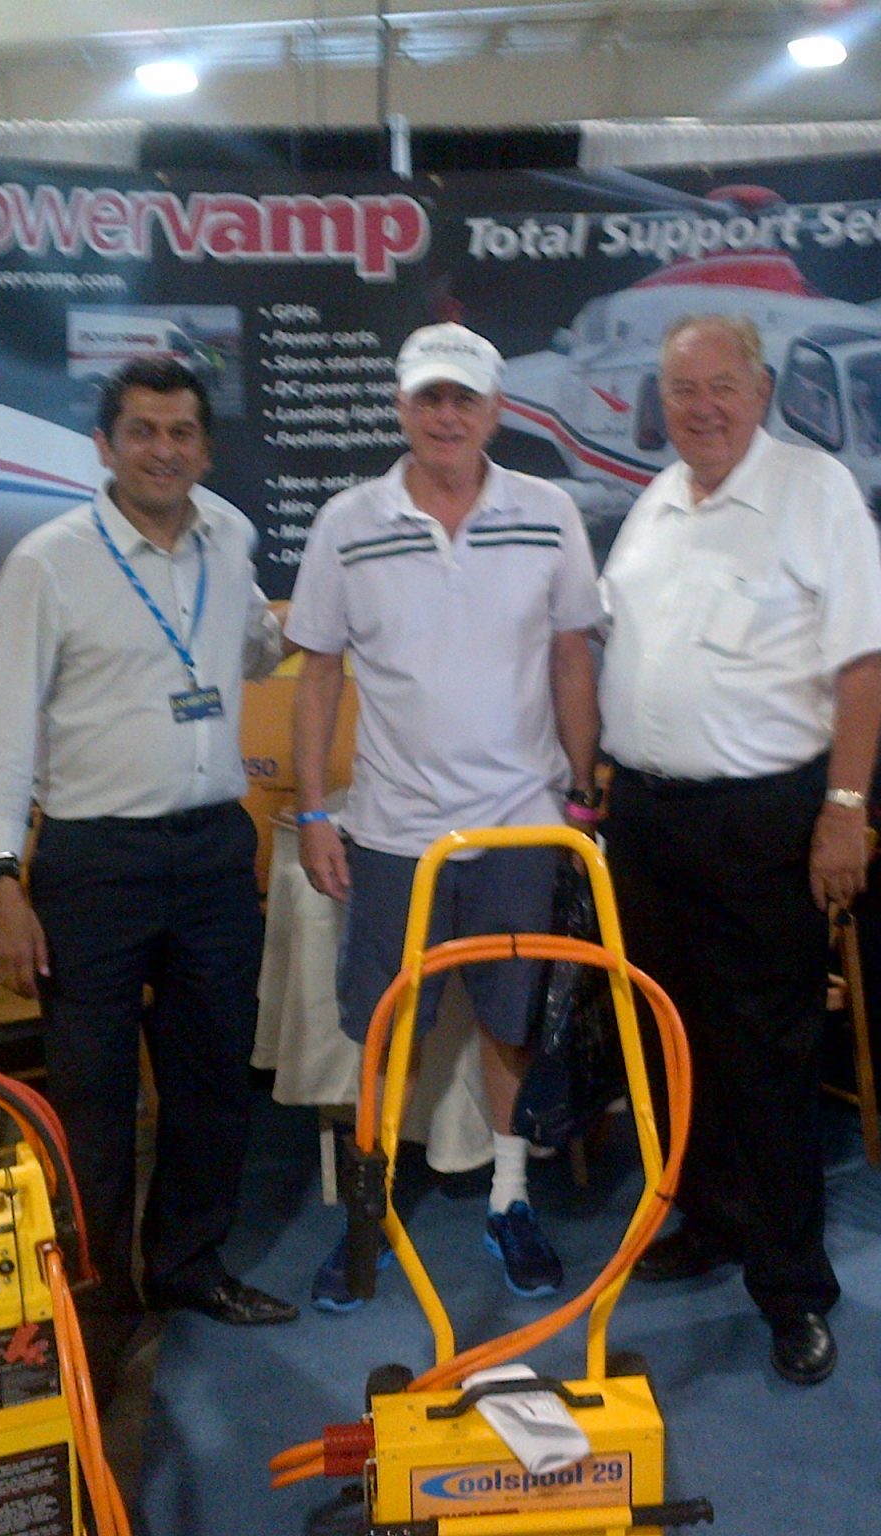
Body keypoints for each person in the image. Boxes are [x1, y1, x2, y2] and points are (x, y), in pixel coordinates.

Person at [0, 357, 297, 1396]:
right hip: (93, 864)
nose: (163, 450)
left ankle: (188, 1268)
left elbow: (253, 646)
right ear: (104, 446)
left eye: (182, 432)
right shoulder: (48, 564)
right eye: (142, 431)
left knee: (210, 1081)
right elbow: (0, 729)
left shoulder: (229, 536)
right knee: (93, 1098)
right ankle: (97, 1310)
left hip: (212, 852)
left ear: (205, 447)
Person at [600, 314, 881, 1387]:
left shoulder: (816, 492)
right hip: (646, 821)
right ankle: (712, 1221)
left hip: (762, 822)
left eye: (721, 386)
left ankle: (791, 1288)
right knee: (672, 1041)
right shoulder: (654, 504)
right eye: (682, 390)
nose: (702, 408)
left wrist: (845, 808)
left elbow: (865, 661)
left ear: (762, 391)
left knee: (766, 1059)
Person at [288, 323, 602, 1311]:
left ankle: (509, 1200)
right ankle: (370, 1213)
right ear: (401, 406)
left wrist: (581, 796)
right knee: (387, 1034)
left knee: (512, 1026)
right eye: (429, 396)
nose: (446, 416)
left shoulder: (549, 513)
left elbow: (572, 659)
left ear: (495, 411)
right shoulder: (347, 521)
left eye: (464, 398)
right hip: (392, 832)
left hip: (518, 826)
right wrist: (313, 811)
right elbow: (318, 675)